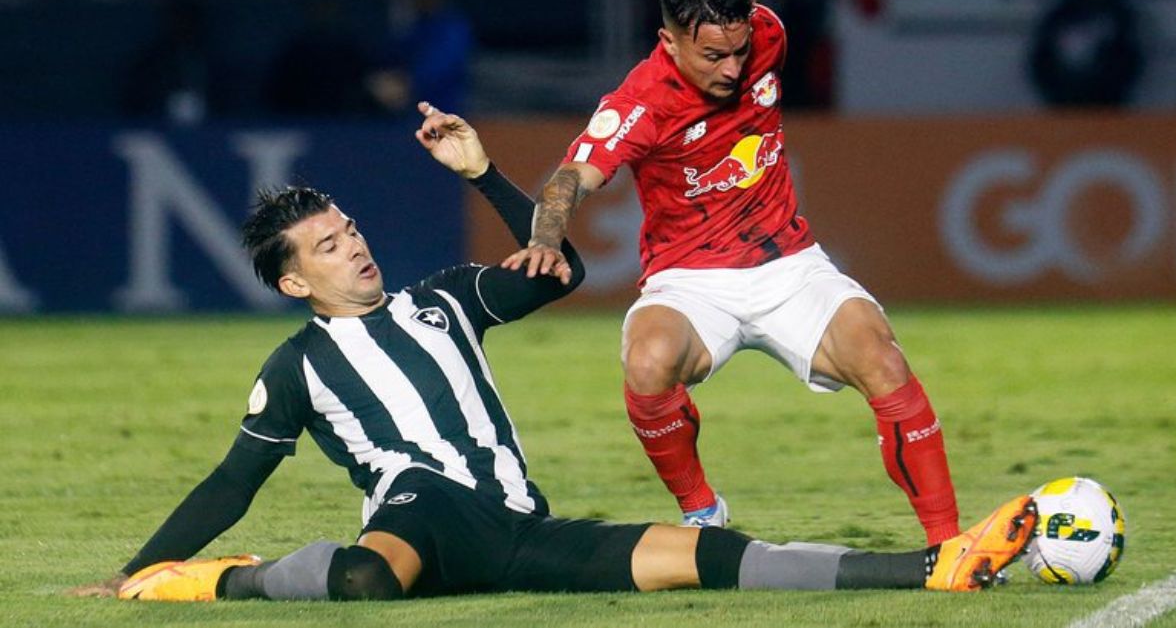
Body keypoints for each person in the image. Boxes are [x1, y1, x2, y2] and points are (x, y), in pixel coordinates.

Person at [71, 103, 1037, 602]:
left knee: (704, 558)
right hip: (421, 510)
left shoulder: (445, 298)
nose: (354, 245)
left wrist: (485, 173)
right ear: (293, 282)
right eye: (327, 245)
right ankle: (219, 583)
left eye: (351, 227)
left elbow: (558, 271)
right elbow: (232, 480)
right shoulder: (296, 366)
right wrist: (140, 568)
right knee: (366, 577)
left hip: (513, 527)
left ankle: (931, 569)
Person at [501, 0, 960, 543]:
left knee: (883, 359)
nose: (733, 69)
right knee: (647, 362)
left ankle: (950, 547)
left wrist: (739, 52)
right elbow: (571, 177)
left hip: (790, 267)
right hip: (691, 283)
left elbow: (750, 58)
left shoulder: (769, 33)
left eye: (740, 51)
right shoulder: (639, 103)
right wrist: (545, 236)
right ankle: (702, 510)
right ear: (668, 41)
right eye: (714, 56)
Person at [1028, 0, 1143, 108]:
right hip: (1065, 108)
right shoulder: (1059, 15)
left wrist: (1110, 89)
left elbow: (1132, 58)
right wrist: (1060, 93)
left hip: (1111, 109)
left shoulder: (1121, 15)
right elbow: (1041, 61)